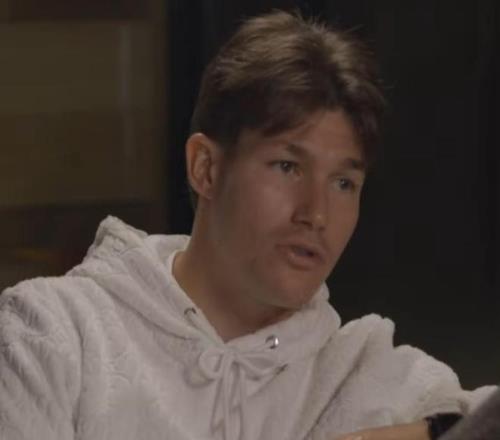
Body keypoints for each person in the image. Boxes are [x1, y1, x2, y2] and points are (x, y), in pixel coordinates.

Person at [0, 10, 496, 440]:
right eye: (287, 166)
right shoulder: (57, 334)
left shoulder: (364, 373)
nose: (316, 213)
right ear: (206, 168)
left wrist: (429, 432)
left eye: (344, 183)